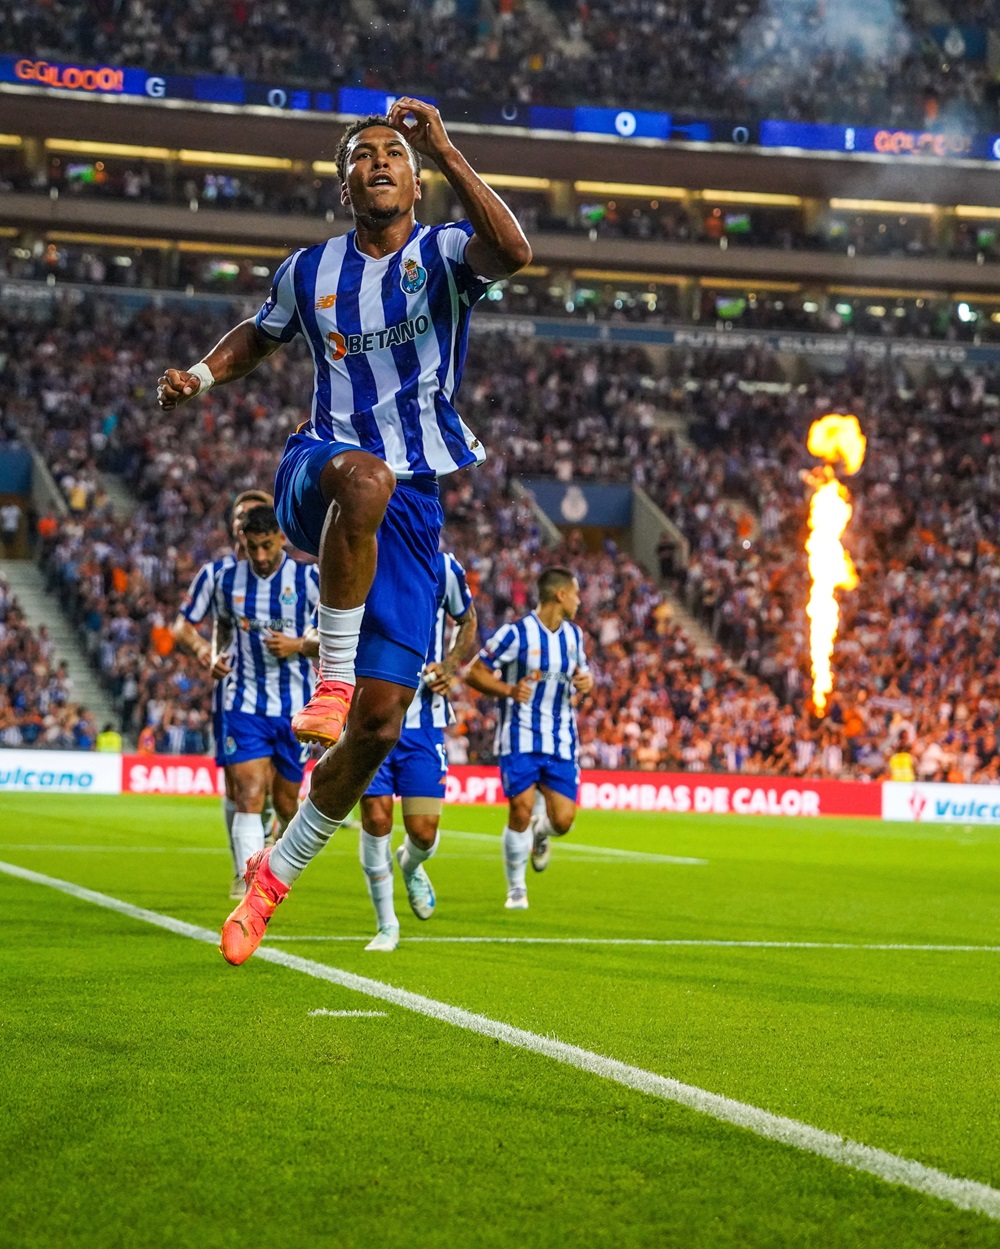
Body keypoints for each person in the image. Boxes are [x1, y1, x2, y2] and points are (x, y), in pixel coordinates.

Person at [157, 100, 530, 964]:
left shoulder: (443, 253)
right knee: (365, 478)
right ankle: (329, 681)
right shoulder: (311, 270)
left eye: (393, 153)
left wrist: (447, 147)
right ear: (343, 184)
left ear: (414, 179)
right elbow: (260, 335)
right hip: (319, 467)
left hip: (412, 505)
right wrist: (201, 376)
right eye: (362, 155)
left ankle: (271, 881)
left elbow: (513, 253)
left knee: (382, 725)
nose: (379, 163)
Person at [175, 504, 320, 889]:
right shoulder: (223, 579)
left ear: (282, 538)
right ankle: (249, 883)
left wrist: (298, 644)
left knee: (287, 804)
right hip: (243, 702)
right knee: (250, 792)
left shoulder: (308, 579)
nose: (259, 555)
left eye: (267, 545)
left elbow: (338, 635)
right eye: (252, 546)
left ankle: (280, 856)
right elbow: (203, 627)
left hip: (295, 708)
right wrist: (210, 653)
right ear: (242, 540)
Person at [360, 550, 478, 951]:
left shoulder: (444, 567)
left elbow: (467, 620)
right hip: (369, 719)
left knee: (424, 833)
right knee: (376, 820)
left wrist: (450, 664)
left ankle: (411, 865)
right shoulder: (361, 556)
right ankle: (386, 925)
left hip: (423, 725)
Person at [464, 566, 593, 909]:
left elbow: (583, 674)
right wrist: (508, 690)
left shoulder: (574, 636)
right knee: (520, 809)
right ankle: (516, 888)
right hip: (519, 736)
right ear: (560, 595)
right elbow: (473, 672)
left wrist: (587, 682)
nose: (579, 601)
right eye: (576, 594)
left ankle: (541, 832)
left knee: (563, 821)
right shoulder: (516, 634)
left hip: (561, 739)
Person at [172, 489, 279, 897]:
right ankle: (243, 869)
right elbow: (182, 626)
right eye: (240, 515)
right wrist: (206, 652)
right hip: (233, 695)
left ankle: (267, 844)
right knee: (240, 786)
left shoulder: (293, 576)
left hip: (285, 697)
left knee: (274, 789)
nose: (245, 521)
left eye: (254, 514)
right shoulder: (215, 575)